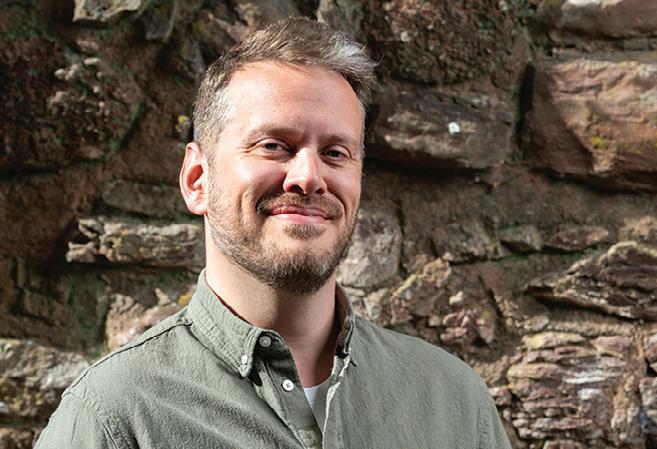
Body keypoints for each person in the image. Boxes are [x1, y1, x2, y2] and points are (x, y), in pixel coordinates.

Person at [35, 17, 511, 449]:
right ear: (197, 180)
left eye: (336, 153)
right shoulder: (114, 416)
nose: (309, 177)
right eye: (274, 146)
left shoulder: (453, 402)